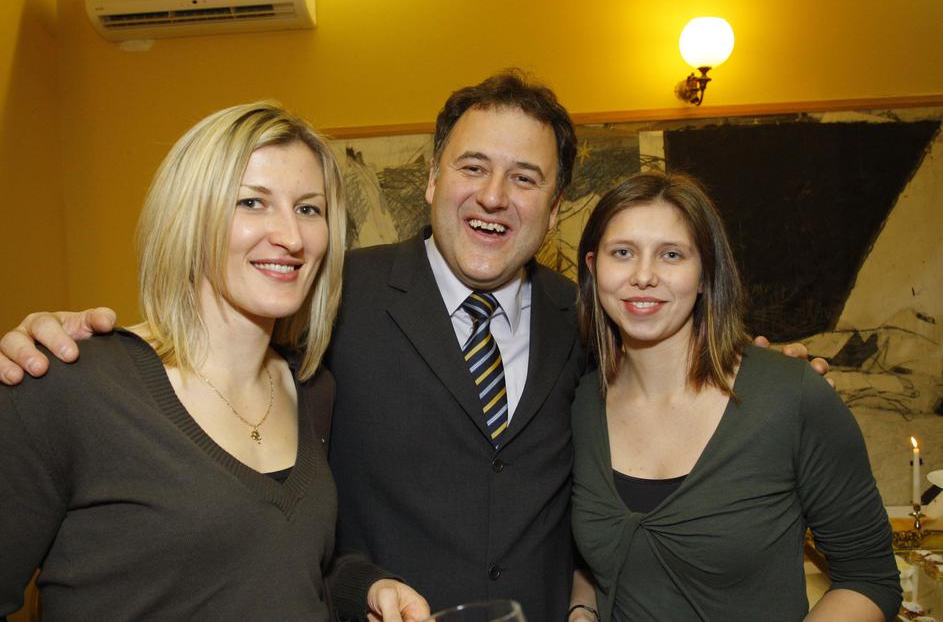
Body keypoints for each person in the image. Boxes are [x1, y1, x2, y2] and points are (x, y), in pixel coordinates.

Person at [0, 72, 829, 619]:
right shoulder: (331, 294)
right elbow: (198, 342)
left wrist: (758, 373)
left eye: (525, 178)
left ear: (555, 209)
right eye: (471, 167)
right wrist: (74, 335)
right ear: (431, 178)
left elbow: (670, 372)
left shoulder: (588, 318)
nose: (493, 196)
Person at [0, 102, 429, 621]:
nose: (291, 237)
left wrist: (365, 588)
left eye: (308, 209)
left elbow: (279, 560)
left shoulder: (313, 390)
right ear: (190, 217)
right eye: (252, 202)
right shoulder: (70, 384)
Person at [570, 171, 901, 620]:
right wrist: (582, 611)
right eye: (623, 252)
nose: (643, 276)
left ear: (705, 275)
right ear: (593, 268)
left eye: (671, 254)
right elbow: (596, 558)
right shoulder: (580, 405)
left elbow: (869, 578)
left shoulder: (791, 396)